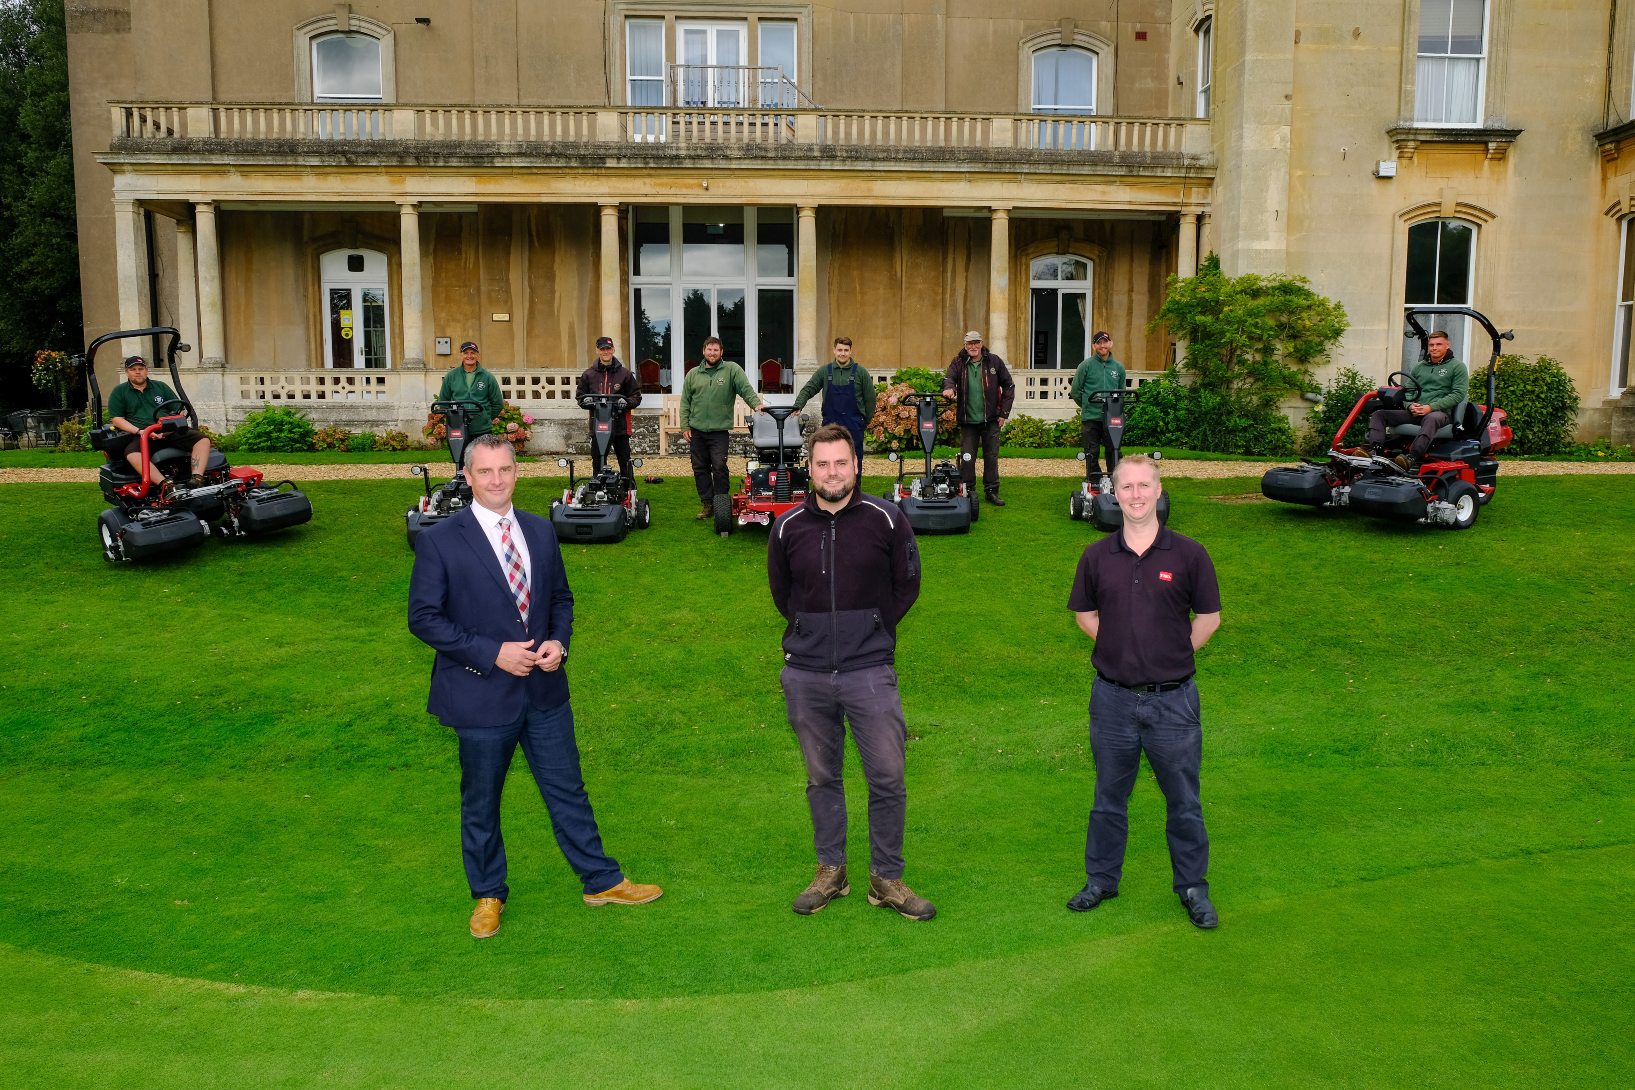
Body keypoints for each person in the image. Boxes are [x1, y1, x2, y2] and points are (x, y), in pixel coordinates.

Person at [407, 433, 662, 939]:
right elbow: (423, 618)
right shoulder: (440, 538)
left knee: (568, 790)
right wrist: (491, 652)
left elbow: (561, 600)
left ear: (516, 472)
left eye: (504, 469)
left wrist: (558, 644)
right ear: (468, 476)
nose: (496, 480)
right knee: (482, 801)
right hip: (481, 693)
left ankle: (601, 880)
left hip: (544, 690)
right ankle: (487, 894)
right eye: (485, 472)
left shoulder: (541, 531)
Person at [767, 423, 934, 921]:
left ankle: (886, 879)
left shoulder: (887, 518)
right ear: (810, 469)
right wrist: (811, 631)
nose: (832, 472)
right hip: (807, 673)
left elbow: (908, 583)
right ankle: (831, 872)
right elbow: (782, 594)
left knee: (887, 775)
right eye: (822, 464)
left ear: (856, 465)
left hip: (869, 670)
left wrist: (872, 628)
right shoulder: (787, 526)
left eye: (841, 462)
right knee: (822, 778)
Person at [1065, 454, 1223, 930]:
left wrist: (1168, 655)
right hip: (1112, 701)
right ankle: (1101, 880)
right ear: (1114, 493)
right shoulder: (1096, 557)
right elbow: (1085, 617)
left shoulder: (1190, 554)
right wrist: (1122, 649)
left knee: (1184, 801)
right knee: (1108, 798)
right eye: (1126, 487)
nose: (1135, 495)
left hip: (1174, 702)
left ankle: (1193, 888)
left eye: (1143, 486)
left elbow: (1209, 619)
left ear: (1159, 491)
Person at [679, 336, 763, 521]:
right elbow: (685, 402)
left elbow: (746, 389)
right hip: (697, 431)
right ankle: (707, 504)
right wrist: (684, 425)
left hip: (719, 432)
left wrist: (756, 404)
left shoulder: (731, 370)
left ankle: (721, 503)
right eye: (709, 349)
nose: (712, 353)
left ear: (721, 352)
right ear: (703, 351)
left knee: (719, 467)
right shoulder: (693, 374)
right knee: (700, 468)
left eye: (716, 350)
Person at [1366, 330, 1469, 471]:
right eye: (1431, 344)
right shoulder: (1419, 367)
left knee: (1431, 418)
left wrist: (1431, 407)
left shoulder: (1457, 367)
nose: (1434, 348)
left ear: (1447, 345)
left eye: (1439, 344)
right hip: (1416, 411)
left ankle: (1411, 457)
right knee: (1380, 414)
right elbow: (1408, 391)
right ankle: (1375, 450)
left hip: (1440, 413)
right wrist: (1409, 405)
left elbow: (1458, 394)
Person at [106, 354, 212, 489]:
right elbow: (117, 419)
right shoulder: (119, 392)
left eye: (141, 368)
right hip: (143, 434)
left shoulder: (160, 387)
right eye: (133, 369)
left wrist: (170, 427)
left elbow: (179, 409)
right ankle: (165, 485)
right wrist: (140, 431)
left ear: (146, 370)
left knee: (202, 440)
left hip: (168, 431)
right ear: (127, 372)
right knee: (132, 454)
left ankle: (197, 478)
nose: (138, 372)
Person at [941, 331, 1015, 506]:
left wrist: (1004, 413)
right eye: (969, 344)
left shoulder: (994, 361)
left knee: (991, 457)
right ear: (965, 345)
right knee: (967, 458)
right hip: (968, 421)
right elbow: (949, 377)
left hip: (991, 420)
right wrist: (950, 388)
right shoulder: (958, 361)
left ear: (981, 343)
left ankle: (992, 491)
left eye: (976, 343)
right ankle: (968, 491)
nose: (972, 346)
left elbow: (1009, 385)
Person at [792, 336, 876, 481]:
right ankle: (830, 491)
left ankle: (855, 494)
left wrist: (863, 422)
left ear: (850, 351)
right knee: (830, 458)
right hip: (830, 424)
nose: (842, 353)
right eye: (839, 350)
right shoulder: (825, 371)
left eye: (846, 350)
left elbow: (870, 400)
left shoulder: (861, 372)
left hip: (854, 425)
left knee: (854, 460)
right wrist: (798, 405)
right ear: (834, 350)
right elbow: (809, 388)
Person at [575, 335, 642, 487]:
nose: (605, 352)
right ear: (597, 350)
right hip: (598, 426)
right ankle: (597, 490)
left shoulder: (624, 374)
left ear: (613, 350)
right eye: (602, 349)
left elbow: (636, 396)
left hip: (620, 426)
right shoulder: (589, 374)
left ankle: (629, 490)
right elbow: (580, 397)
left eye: (608, 349)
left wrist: (626, 402)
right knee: (598, 460)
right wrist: (587, 402)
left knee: (624, 459)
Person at [1068, 331, 1127, 481]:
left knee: (1113, 451)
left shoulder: (1118, 368)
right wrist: (1087, 405)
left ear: (1110, 344)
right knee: (1091, 452)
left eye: (1105, 342)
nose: (1102, 345)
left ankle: (1116, 482)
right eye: (1099, 343)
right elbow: (1075, 391)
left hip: (1112, 417)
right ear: (1094, 346)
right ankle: (1094, 482)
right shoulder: (1086, 366)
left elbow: (1122, 392)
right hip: (1091, 417)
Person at [436, 341, 505, 450]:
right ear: (461, 355)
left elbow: (497, 403)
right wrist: (453, 418)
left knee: (483, 460)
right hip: (458, 427)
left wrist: (485, 416)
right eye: (466, 353)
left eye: (473, 353)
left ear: (477, 355)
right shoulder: (451, 376)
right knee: (461, 460)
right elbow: (443, 402)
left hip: (482, 429)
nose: (469, 356)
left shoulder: (487, 377)